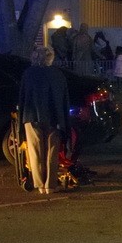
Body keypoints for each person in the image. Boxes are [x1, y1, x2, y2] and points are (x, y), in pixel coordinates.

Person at [17, 45, 71, 194]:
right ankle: (50, 185)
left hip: (32, 117)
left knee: (35, 151)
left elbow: (22, 98)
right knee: (52, 152)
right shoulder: (58, 75)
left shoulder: (28, 74)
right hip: (53, 118)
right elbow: (63, 99)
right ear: (50, 58)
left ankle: (39, 184)